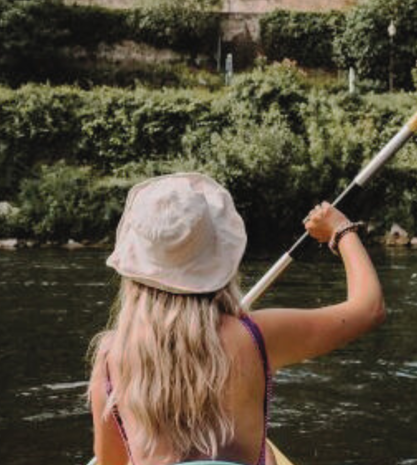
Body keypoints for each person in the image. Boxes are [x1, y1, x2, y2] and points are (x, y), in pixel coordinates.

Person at [88, 172, 385, 465]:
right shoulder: (257, 336)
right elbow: (369, 308)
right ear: (220, 257)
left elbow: (110, 463)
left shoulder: (111, 357)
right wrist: (341, 230)